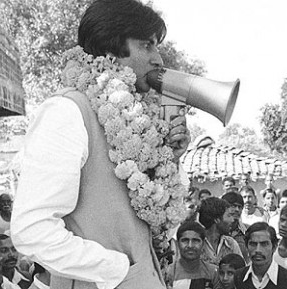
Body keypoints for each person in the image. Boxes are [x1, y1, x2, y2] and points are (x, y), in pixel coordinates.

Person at [10, 1, 191, 288]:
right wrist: (117, 268)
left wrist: (172, 158)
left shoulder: (139, 122)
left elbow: (158, 227)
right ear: (110, 47)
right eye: (147, 45)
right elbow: (31, 230)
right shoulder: (66, 112)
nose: (158, 59)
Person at [233, 222, 287, 289]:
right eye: (253, 244)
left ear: (274, 247)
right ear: (246, 247)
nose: (258, 250)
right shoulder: (238, 278)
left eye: (264, 244)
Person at [166, 221, 219, 289]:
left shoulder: (214, 273)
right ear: (178, 243)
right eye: (185, 240)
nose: (190, 245)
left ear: (203, 244)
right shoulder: (168, 273)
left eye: (195, 240)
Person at [198, 197, 243, 266]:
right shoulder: (196, 243)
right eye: (229, 215)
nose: (232, 220)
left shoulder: (231, 244)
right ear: (217, 219)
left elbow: (241, 271)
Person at [221, 192, 249, 260]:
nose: (237, 210)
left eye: (240, 207)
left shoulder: (248, 230)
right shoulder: (217, 230)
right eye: (233, 206)